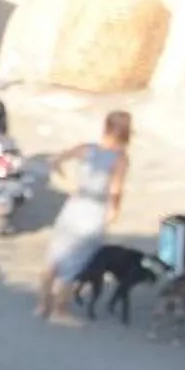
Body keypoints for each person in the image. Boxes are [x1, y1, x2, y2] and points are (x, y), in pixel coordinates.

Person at [38, 109, 132, 319]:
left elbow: (54, 161)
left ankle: (42, 305)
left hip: (73, 207)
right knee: (74, 265)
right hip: (94, 212)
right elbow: (116, 190)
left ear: (105, 127)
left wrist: (68, 183)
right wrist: (114, 211)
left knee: (54, 258)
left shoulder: (86, 149)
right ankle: (60, 309)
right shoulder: (120, 159)